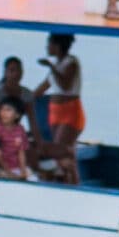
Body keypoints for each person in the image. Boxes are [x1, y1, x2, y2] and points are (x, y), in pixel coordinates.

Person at [33, 33, 83, 179]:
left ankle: (74, 182)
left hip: (70, 111)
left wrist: (51, 66)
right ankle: (66, 180)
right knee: (59, 148)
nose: (47, 47)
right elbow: (43, 88)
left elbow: (65, 86)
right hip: (55, 111)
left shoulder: (71, 62)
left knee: (61, 150)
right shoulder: (57, 65)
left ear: (57, 46)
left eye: (49, 43)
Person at [0, 98, 32, 180]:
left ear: (17, 115)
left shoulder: (20, 130)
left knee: (33, 179)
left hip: (16, 167)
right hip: (1, 168)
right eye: (2, 109)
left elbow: (21, 152)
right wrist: (9, 173)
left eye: (8, 110)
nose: (3, 113)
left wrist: (23, 170)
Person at [0, 56, 36, 122]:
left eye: (18, 70)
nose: (16, 74)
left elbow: (32, 121)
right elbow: (0, 122)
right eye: (12, 70)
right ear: (5, 72)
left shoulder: (27, 94)